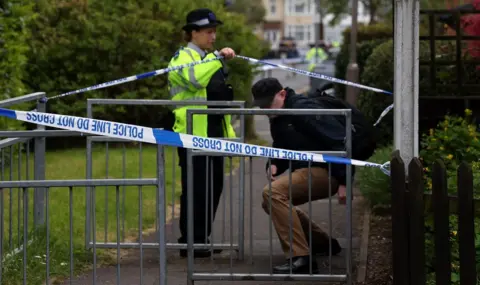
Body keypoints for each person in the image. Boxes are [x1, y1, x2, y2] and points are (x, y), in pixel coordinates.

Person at [251, 77, 376, 274]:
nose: (265, 110)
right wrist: (274, 163)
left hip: (327, 171)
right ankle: (322, 243)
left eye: (268, 103)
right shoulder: (280, 115)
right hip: (308, 169)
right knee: (270, 201)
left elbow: (341, 142)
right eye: (261, 106)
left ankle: (301, 258)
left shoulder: (305, 109)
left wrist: (344, 181)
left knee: (273, 194)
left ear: (282, 94)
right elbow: (283, 144)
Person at [167, 8, 237, 258]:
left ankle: (202, 238)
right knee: (196, 188)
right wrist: (217, 58)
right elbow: (195, 79)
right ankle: (191, 241)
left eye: (215, 31)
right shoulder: (182, 58)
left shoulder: (209, 58)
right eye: (208, 31)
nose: (213, 36)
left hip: (213, 132)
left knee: (213, 187)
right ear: (193, 33)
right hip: (191, 133)